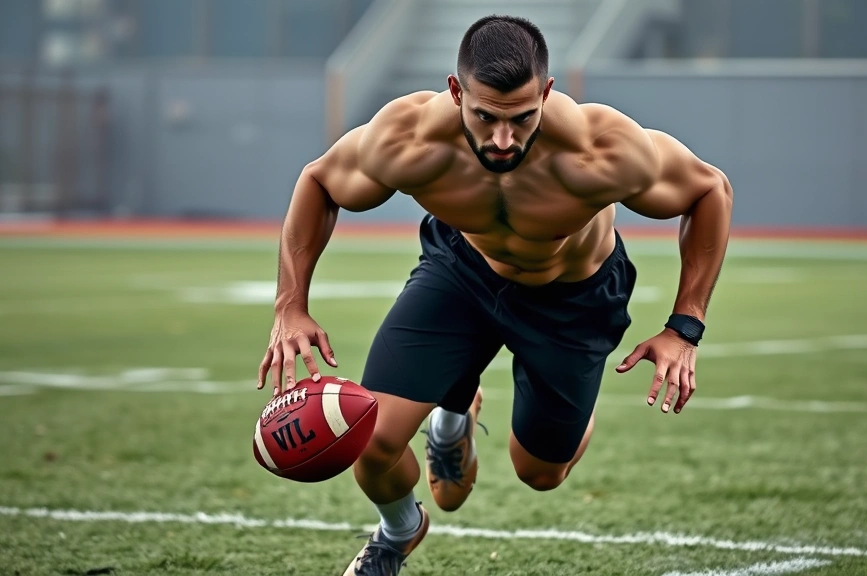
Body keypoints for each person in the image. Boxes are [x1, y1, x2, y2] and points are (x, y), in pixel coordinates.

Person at [256, 14, 733, 576]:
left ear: (548, 93)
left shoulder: (602, 149)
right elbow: (319, 181)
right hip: (463, 272)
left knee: (540, 473)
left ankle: (462, 410)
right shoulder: (408, 139)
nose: (503, 139)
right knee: (372, 443)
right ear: (456, 91)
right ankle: (399, 530)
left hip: (571, 299)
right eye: (485, 116)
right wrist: (290, 306)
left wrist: (685, 327)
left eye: (522, 118)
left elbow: (709, 190)